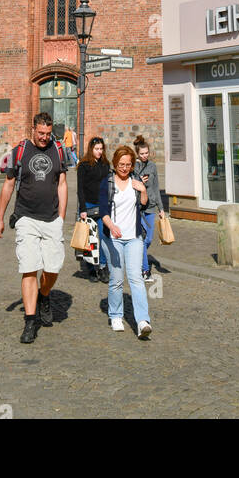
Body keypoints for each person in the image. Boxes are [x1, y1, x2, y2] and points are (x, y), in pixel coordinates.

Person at [0, 111, 68, 345]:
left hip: (52, 218)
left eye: (48, 133)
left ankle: (44, 295)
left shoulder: (58, 150)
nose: (45, 138)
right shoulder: (20, 151)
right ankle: (30, 320)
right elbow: (8, 186)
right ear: (33, 130)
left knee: (53, 268)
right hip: (26, 217)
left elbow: (63, 184)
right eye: (41, 133)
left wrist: (62, 218)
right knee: (29, 268)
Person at [100, 144, 152, 339]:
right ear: (115, 164)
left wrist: (143, 190)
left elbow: (144, 204)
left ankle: (142, 321)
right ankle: (115, 315)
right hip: (112, 238)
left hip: (134, 237)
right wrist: (111, 226)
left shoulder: (135, 181)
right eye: (121, 164)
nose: (124, 168)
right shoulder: (107, 182)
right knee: (117, 279)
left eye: (128, 165)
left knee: (136, 278)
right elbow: (103, 211)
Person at [76, 136, 111, 282]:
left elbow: (108, 186)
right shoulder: (83, 165)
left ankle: (102, 266)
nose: (99, 151)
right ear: (91, 149)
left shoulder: (105, 165)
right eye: (97, 149)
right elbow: (80, 188)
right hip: (88, 205)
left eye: (101, 149)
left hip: (102, 206)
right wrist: (83, 208)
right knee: (89, 239)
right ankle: (90, 269)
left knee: (103, 237)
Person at [132, 135, 164, 282]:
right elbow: (130, 185)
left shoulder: (152, 166)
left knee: (148, 239)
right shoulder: (134, 166)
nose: (145, 156)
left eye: (146, 153)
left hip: (150, 208)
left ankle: (138, 260)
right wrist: (139, 180)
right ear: (138, 154)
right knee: (142, 241)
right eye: (142, 154)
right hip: (139, 208)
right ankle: (145, 271)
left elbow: (156, 188)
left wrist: (161, 208)